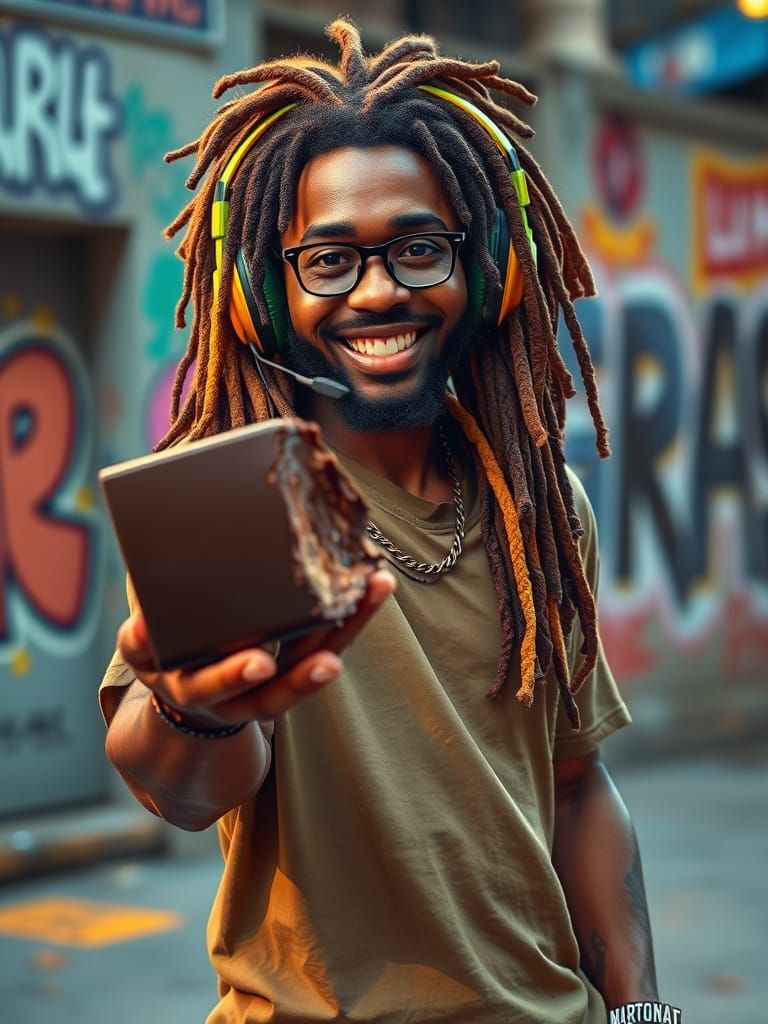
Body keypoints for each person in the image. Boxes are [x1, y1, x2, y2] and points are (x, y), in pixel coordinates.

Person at [101, 19, 660, 1023]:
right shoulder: (226, 505)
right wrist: (197, 710)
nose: (378, 292)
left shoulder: (540, 509)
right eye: (329, 260)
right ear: (261, 291)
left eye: (417, 248)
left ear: (485, 264)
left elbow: (575, 785)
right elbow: (183, 795)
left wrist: (639, 1008)